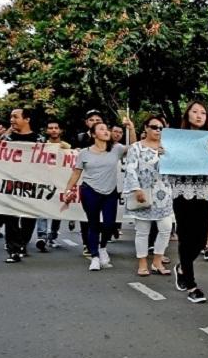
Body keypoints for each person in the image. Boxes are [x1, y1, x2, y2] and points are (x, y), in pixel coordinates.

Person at [64, 119, 136, 271]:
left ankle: (103, 248)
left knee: (109, 224)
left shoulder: (116, 149)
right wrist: (68, 190)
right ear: (93, 134)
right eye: (102, 129)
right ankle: (95, 256)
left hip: (110, 192)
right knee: (93, 224)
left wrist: (132, 128)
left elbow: (134, 148)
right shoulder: (84, 153)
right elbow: (76, 173)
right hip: (90, 191)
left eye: (107, 129)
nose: (106, 131)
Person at [170, 101, 208, 303]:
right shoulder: (176, 139)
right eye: (195, 111)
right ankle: (191, 284)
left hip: (203, 191)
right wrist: (164, 154)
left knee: (201, 239)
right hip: (182, 190)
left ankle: (181, 267)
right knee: (186, 236)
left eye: (203, 112)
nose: (199, 115)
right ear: (187, 114)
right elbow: (168, 164)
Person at [124, 116, 174, 276]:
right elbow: (130, 169)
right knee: (142, 231)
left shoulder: (168, 148)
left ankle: (157, 261)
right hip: (143, 194)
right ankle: (142, 263)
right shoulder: (136, 147)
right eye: (154, 127)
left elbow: (174, 170)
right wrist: (136, 189)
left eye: (161, 128)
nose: (158, 130)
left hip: (164, 194)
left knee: (166, 228)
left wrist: (166, 156)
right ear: (145, 128)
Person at [0, 109, 46, 263]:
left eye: (15, 117)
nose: (11, 119)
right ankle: (13, 249)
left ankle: (22, 243)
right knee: (11, 217)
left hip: (31, 185)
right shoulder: (7, 138)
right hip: (11, 183)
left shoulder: (39, 140)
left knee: (29, 216)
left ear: (27, 119)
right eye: (11, 116)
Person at [36, 119, 73, 250]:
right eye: (50, 128)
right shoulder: (42, 146)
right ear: (47, 131)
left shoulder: (67, 147)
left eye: (56, 128)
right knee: (43, 208)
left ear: (60, 130)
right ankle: (42, 236)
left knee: (58, 211)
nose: (53, 130)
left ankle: (52, 236)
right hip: (45, 182)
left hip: (61, 183)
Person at [74, 109, 105, 257]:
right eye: (92, 120)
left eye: (98, 120)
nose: (95, 123)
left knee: (104, 217)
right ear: (87, 123)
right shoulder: (80, 138)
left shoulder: (107, 138)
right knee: (87, 216)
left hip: (105, 182)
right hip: (86, 183)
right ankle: (88, 244)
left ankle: (100, 243)